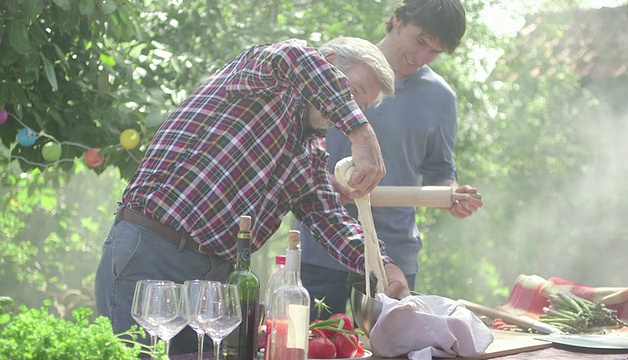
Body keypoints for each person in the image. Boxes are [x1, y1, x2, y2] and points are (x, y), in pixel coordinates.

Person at [94, 36, 411, 355]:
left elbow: (331, 221)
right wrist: (362, 132)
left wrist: (383, 266)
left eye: (361, 107)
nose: (350, 108)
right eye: (351, 92)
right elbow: (294, 56)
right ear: (327, 61)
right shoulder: (268, 77)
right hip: (153, 252)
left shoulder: (311, 152)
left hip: (214, 279)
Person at [297, 0, 484, 320]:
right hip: (320, 249)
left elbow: (440, 169)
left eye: (434, 52)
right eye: (420, 41)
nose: (421, 57)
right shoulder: (339, 68)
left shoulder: (440, 97)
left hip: (393, 259)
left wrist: (452, 194)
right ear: (397, 20)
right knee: (311, 347)